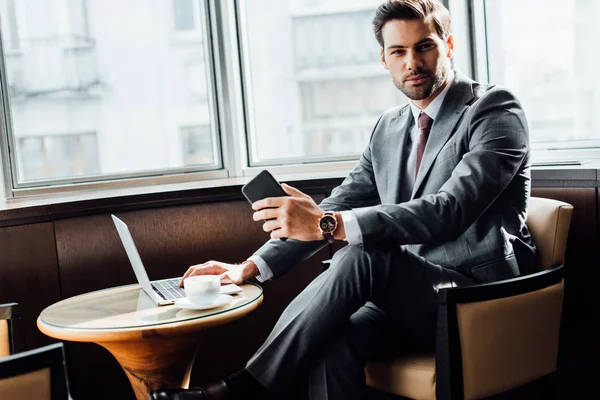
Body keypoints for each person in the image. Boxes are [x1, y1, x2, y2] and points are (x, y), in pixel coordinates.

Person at [151, 0, 535, 399]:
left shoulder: (494, 109)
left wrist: (327, 224)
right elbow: (338, 203)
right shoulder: (388, 128)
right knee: (329, 340)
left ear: (449, 45)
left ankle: (243, 389)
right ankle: (244, 388)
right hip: (408, 295)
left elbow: (450, 211)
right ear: (383, 59)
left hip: (478, 297)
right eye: (398, 52)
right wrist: (250, 267)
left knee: (363, 253)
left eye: (424, 47)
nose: (412, 63)